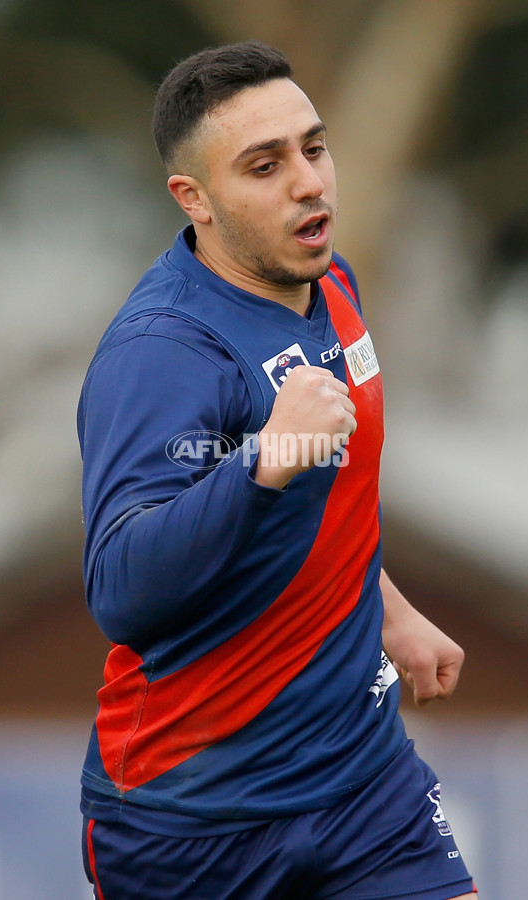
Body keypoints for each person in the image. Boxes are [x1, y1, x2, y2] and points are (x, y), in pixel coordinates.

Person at [78, 40, 478, 900]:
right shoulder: (162, 354)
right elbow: (120, 587)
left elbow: (325, 506)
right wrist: (263, 460)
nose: (309, 182)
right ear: (196, 199)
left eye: (313, 147)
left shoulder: (334, 286)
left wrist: (390, 611)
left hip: (366, 785)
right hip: (193, 820)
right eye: (264, 165)